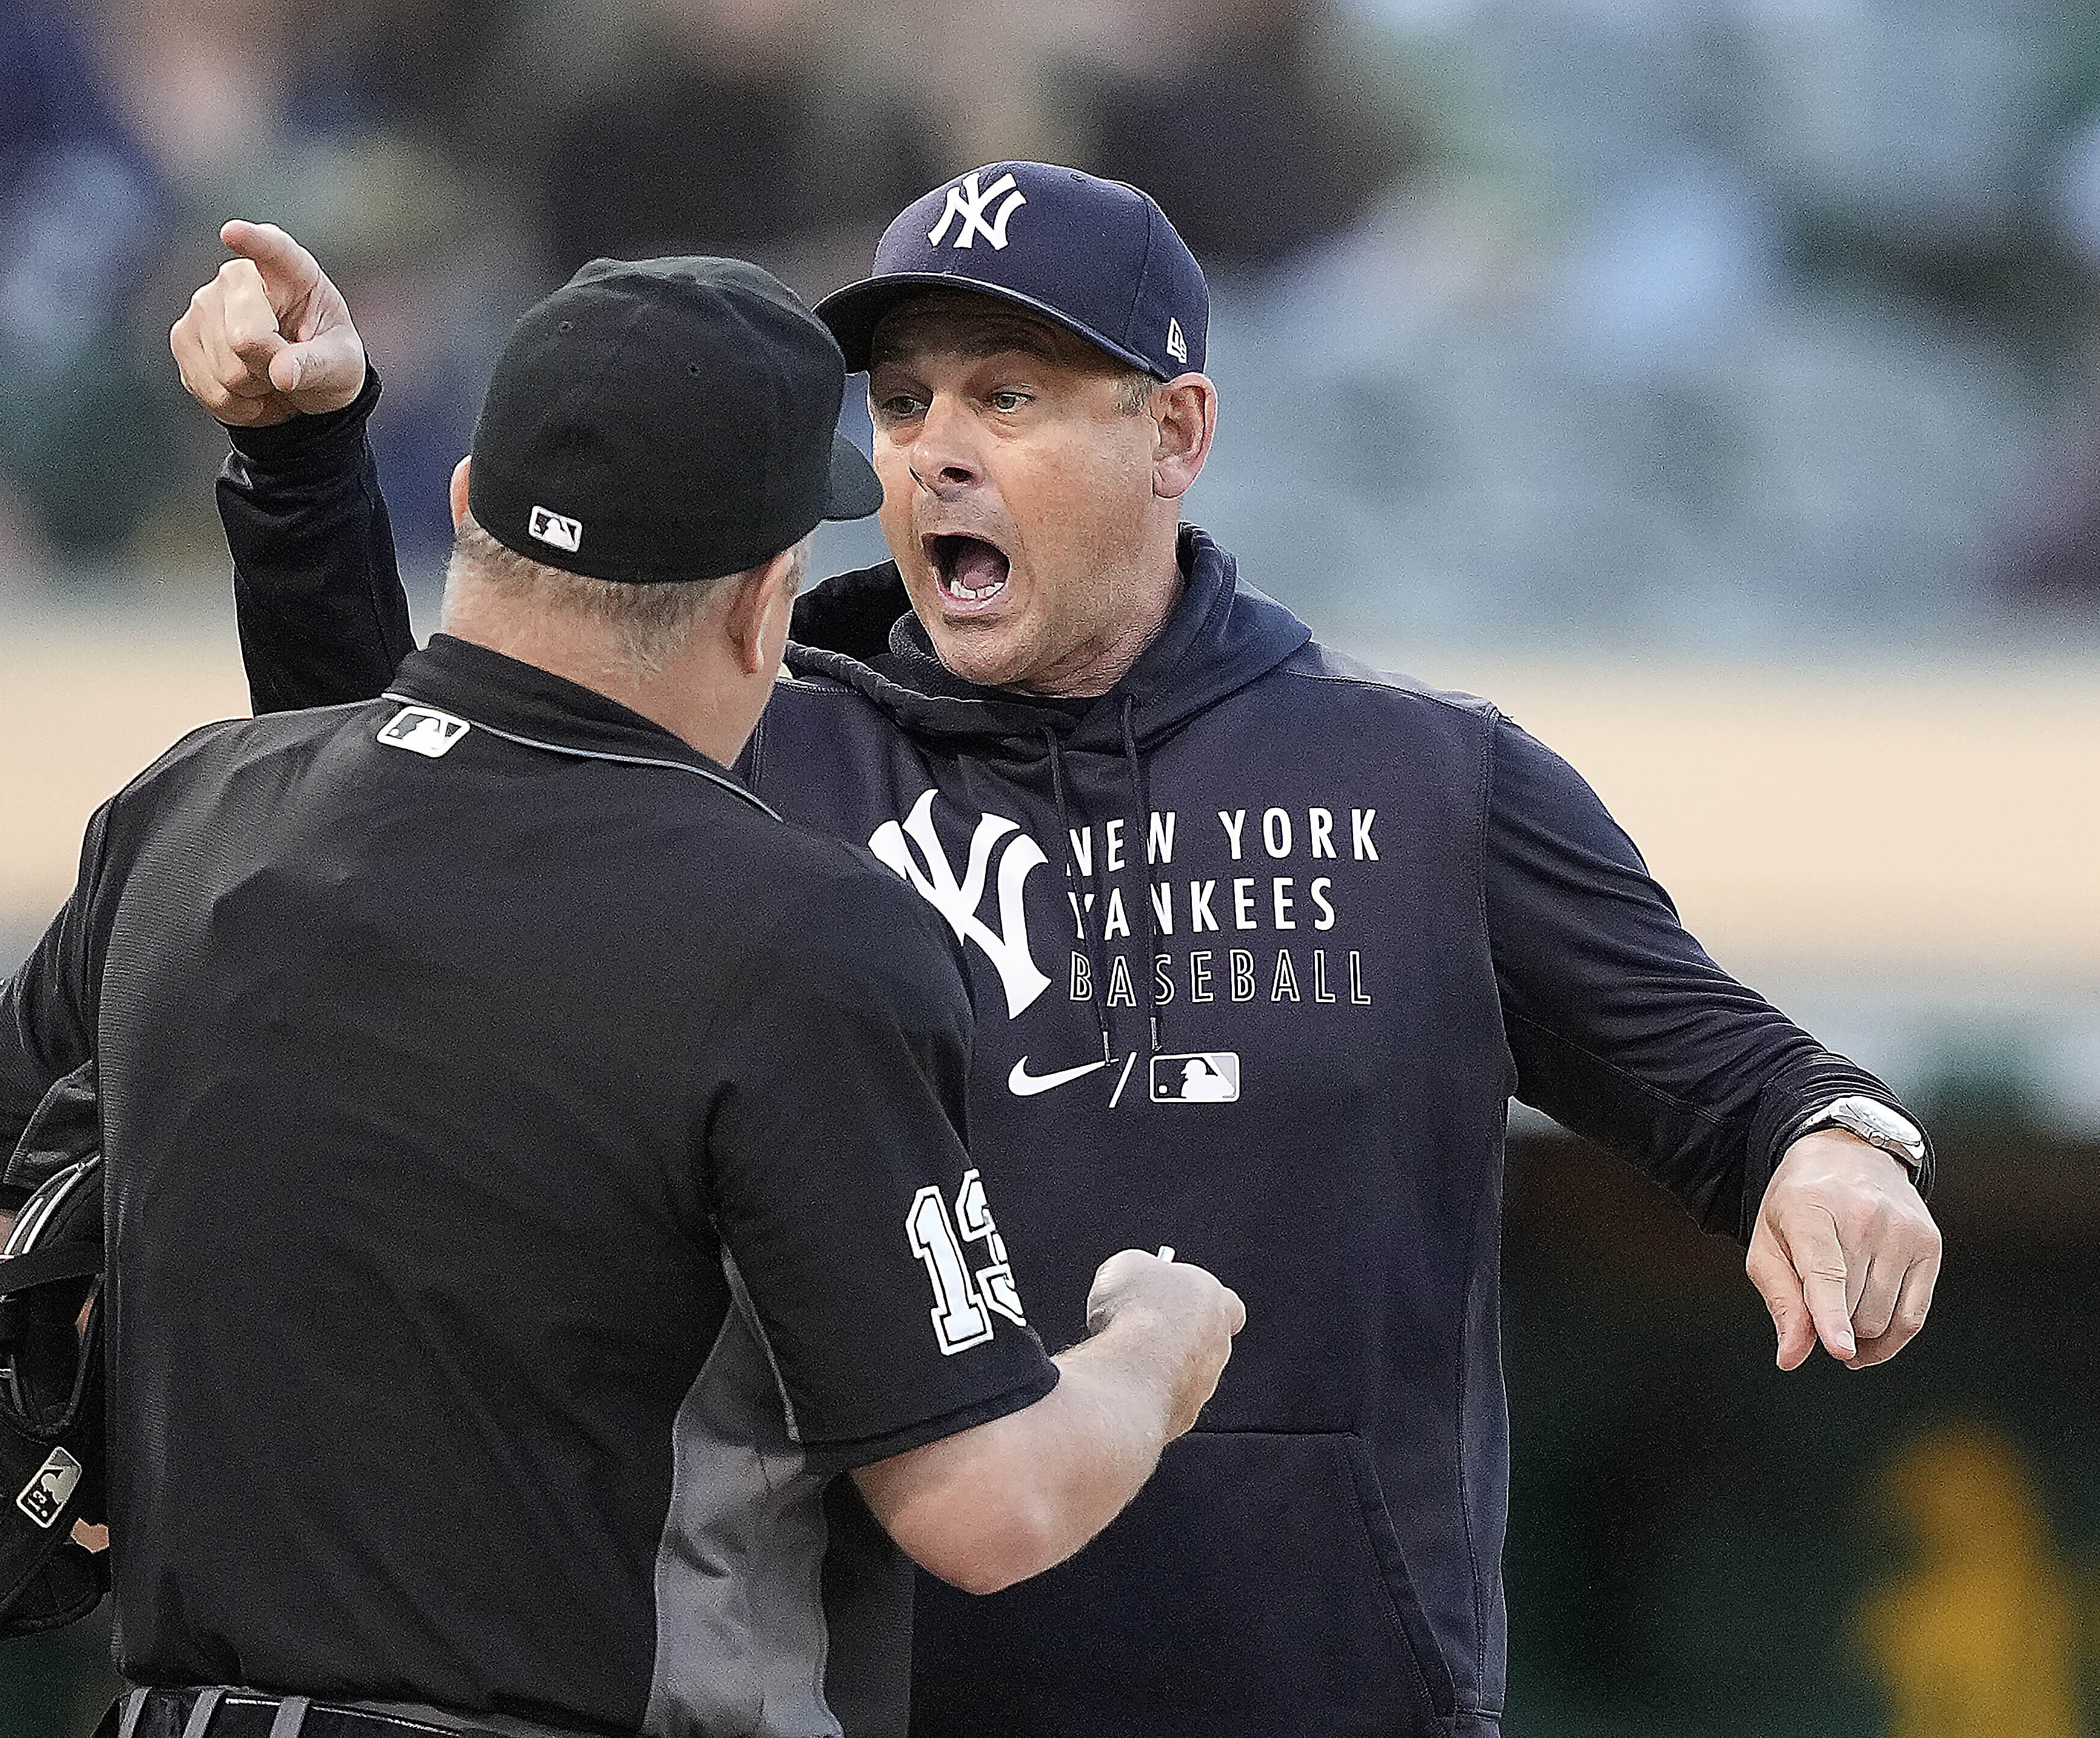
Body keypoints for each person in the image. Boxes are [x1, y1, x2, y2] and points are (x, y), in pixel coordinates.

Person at [184, 166, 1945, 1737]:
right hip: (872, 1692)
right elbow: (407, 822)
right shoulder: (752, 751)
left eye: (1008, 395)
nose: (931, 447)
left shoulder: (1425, 778)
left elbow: (1738, 1076)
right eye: (897, 399)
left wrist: (1834, 1145)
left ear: (1174, 433)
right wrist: (300, 475)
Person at [0, 247, 1243, 1738]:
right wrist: (1152, 1343)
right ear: (761, 604)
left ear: (468, 507)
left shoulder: (198, 806)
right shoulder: (797, 933)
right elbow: (987, 1506)